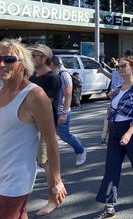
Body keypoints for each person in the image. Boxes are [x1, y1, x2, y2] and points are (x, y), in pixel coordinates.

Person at [0, 39, 67, 219]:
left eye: (8, 60)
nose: (1, 64)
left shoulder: (34, 95)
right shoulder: (0, 90)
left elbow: (51, 139)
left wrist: (56, 180)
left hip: (15, 179)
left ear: (22, 64)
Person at [95, 57, 133, 219]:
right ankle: (109, 207)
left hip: (131, 130)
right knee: (111, 167)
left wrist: (128, 134)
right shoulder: (116, 88)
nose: (120, 69)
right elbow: (110, 111)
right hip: (115, 130)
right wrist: (105, 131)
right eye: (117, 67)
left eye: (123, 66)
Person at [29, 44, 63, 216]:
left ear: (44, 58)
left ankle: (53, 199)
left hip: (45, 127)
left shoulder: (53, 78)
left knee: (48, 164)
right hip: (30, 126)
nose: (31, 57)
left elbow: (45, 103)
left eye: (34, 55)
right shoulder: (32, 77)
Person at [50, 56, 87, 166]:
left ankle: (81, 150)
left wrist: (64, 113)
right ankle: (45, 161)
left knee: (64, 135)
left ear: (55, 65)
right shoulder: (55, 74)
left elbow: (68, 95)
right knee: (50, 135)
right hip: (53, 110)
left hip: (61, 110)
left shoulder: (64, 75)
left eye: (49, 65)